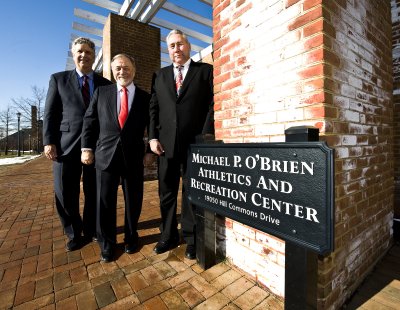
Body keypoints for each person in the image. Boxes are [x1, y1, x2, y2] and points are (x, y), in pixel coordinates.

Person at [149, 29, 214, 259]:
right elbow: (153, 109)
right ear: (168, 50)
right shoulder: (159, 75)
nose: (176, 49)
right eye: (172, 46)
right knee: (166, 192)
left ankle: (191, 237)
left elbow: (211, 106)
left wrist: (204, 137)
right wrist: (152, 137)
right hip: (165, 145)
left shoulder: (205, 71)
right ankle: (168, 235)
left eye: (180, 44)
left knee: (191, 191)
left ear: (188, 44)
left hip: (194, 145)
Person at [43, 37, 112, 252]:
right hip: (65, 145)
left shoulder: (105, 84)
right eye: (79, 52)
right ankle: (73, 231)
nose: (83, 55)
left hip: (96, 146)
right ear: (73, 55)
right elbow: (50, 113)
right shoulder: (58, 79)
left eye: (88, 52)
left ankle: (91, 229)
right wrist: (49, 141)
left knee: (94, 191)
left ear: (93, 55)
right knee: (64, 192)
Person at [81, 54, 151, 262]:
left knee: (134, 199)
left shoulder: (145, 97)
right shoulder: (101, 92)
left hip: (133, 156)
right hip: (105, 156)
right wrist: (86, 148)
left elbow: (154, 126)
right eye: (118, 68)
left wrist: (149, 151)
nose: (122, 71)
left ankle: (131, 237)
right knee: (104, 202)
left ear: (134, 69)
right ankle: (107, 244)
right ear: (112, 71)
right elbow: (89, 121)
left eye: (126, 67)